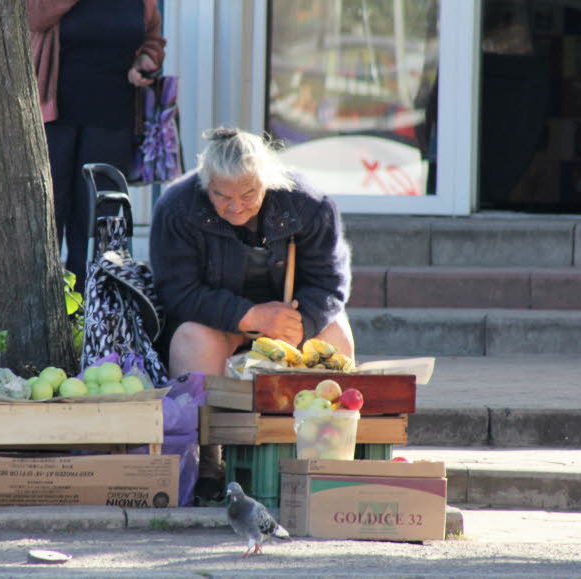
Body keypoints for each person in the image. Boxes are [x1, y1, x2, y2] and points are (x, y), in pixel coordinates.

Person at [149, 128, 354, 495]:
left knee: (336, 336)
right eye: (221, 195)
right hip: (216, 321)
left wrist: (303, 322)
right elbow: (176, 291)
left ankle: (323, 450)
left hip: (288, 319)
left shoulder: (308, 204)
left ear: (267, 181)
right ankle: (207, 458)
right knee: (194, 341)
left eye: (249, 194)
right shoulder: (177, 207)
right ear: (204, 183)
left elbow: (330, 283)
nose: (235, 206)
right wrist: (250, 317)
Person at [27, 0, 166, 291]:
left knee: (97, 217)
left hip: (113, 117)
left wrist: (146, 61)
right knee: (48, 210)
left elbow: (152, 38)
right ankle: (40, 299)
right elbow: (34, 17)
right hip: (54, 116)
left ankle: (90, 310)